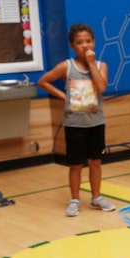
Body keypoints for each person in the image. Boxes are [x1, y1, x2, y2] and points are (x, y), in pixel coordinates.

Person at [37, 23, 115, 217]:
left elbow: (101, 86)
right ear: (72, 45)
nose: (85, 46)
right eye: (80, 43)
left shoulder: (100, 65)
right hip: (74, 124)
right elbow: (43, 81)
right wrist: (64, 96)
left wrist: (91, 64)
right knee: (75, 164)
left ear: (94, 42)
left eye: (88, 41)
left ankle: (96, 197)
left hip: (96, 122)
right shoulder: (67, 66)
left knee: (95, 162)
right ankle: (74, 199)